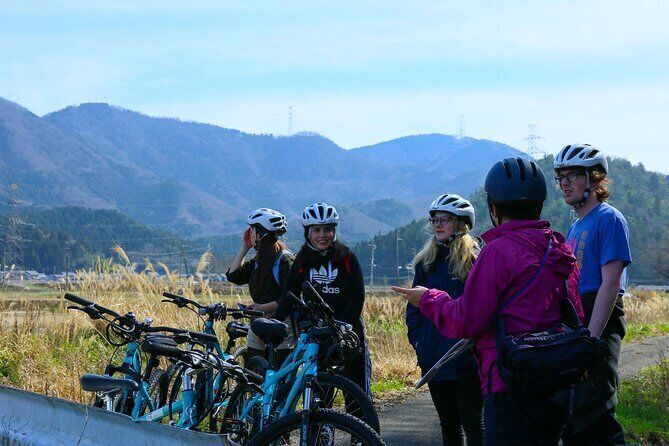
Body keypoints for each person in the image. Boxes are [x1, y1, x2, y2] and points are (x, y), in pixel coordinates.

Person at [393, 157, 584, 446]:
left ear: (493, 207)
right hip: (557, 379)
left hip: (509, 380)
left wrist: (428, 299)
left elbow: (467, 319)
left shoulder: (497, 252)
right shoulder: (558, 246)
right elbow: (575, 314)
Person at [554, 144, 631, 445]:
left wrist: (591, 341)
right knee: (572, 419)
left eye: (574, 175)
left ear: (595, 179)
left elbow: (610, 284)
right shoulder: (575, 226)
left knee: (595, 414)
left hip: (600, 318)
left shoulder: (609, 219)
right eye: (561, 177)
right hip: (578, 320)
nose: (565, 183)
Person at [406, 193, 484, 446]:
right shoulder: (425, 263)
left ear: (461, 224)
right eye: (435, 220)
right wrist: (419, 342)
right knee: (449, 427)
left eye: (445, 219)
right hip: (434, 359)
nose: (438, 224)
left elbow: (479, 308)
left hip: (465, 359)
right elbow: (414, 311)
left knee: (474, 426)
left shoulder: (474, 261)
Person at [274, 202, 372, 397]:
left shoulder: (346, 257)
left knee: (356, 389)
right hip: (318, 331)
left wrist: (344, 324)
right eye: (316, 230)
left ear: (334, 231)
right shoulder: (302, 259)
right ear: (308, 232)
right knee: (319, 388)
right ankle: (320, 427)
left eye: (327, 229)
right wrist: (275, 321)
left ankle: (362, 426)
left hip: (347, 329)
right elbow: (289, 293)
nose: (322, 235)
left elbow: (357, 296)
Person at [226, 208, 294, 361]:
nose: (249, 232)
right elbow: (233, 275)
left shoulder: (285, 260)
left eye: (253, 229)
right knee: (253, 371)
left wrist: (260, 307)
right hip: (258, 321)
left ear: (261, 234)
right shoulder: (259, 260)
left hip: (282, 323)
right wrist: (245, 247)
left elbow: (289, 297)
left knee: (277, 374)